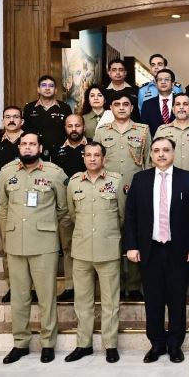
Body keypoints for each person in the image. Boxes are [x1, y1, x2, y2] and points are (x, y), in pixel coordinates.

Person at [124, 137, 189, 364]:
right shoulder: (140, 179)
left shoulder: (187, 179)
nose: (161, 154)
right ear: (151, 154)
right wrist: (131, 245)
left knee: (177, 299)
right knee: (153, 300)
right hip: (149, 250)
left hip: (179, 250)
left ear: (173, 153)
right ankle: (157, 344)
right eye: (157, 150)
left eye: (166, 150)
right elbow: (130, 215)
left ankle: (175, 345)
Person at [0, 132, 69, 364]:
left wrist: (62, 241)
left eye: (32, 144)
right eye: (24, 144)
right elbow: (4, 208)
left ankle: (48, 343)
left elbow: (63, 210)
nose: (27, 147)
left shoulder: (54, 173)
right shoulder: (7, 172)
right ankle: (20, 343)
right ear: (19, 147)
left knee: (47, 297)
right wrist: (7, 239)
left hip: (44, 244)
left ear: (40, 148)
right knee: (19, 298)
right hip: (16, 244)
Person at [64, 142, 125, 363]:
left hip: (107, 249)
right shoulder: (74, 183)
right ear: (83, 158)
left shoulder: (116, 181)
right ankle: (84, 344)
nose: (92, 159)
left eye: (96, 155)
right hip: (81, 250)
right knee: (82, 302)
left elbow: (122, 215)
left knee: (110, 302)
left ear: (103, 158)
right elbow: (72, 215)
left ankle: (111, 345)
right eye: (88, 155)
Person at [153, 94, 189, 302]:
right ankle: (172, 282)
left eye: (185, 104)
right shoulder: (163, 131)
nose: (181, 107)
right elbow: (155, 158)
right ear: (172, 108)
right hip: (166, 191)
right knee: (169, 235)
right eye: (177, 104)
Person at [94, 91, 151, 302]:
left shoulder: (143, 130)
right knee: (111, 237)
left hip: (135, 191)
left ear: (132, 108)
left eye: (125, 104)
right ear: (111, 108)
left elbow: (149, 161)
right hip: (107, 192)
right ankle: (115, 284)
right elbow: (95, 161)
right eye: (117, 104)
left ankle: (134, 284)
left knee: (134, 235)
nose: (121, 107)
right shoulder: (101, 132)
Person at [0, 106, 24, 303]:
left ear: (22, 121)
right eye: (7, 117)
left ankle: (32, 288)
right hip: (6, 204)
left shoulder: (31, 140)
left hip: (31, 203)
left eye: (15, 117)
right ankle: (13, 287)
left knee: (31, 247)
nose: (11, 120)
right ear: (2, 121)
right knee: (8, 247)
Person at [52, 114, 90, 302]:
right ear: (65, 128)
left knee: (90, 245)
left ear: (84, 126)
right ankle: (70, 286)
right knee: (68, 247)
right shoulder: (57, 150)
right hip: (65, 206)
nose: (74, 129)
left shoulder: (93, 147)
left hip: (90, 205)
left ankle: (89, 286)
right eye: (70, 126)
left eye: (77, 125)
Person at [22, 75, 73, 160]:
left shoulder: (65, 108)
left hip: (60, 153)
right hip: (35, 152)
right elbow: (24, 131)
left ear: (56, 90)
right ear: (38, 89)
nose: (47, 88)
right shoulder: (29, 108)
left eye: (51, 86)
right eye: (44, 85)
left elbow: (69, 130)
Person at [141, 69, 177, 136]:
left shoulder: (180, 102)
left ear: (172, 84)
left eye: (166, 79)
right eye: (160, 80)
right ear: (156, 84)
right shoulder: (147, 104)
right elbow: (144, 129)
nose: (163, 82)